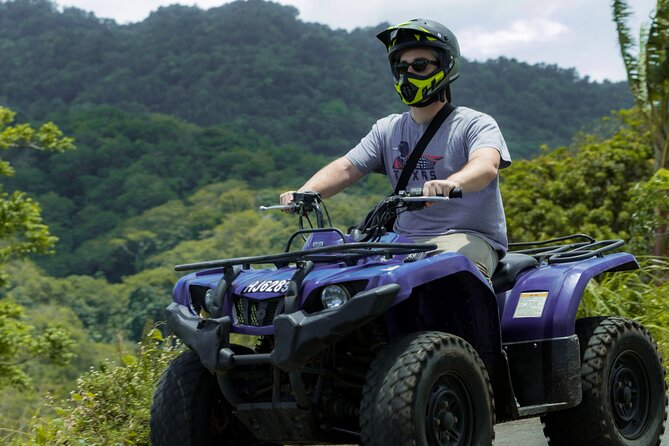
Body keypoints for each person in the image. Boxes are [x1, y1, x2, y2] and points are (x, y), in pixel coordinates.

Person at [280, 18, 511, 282]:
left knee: (456, 277)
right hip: (401, 241)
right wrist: (307, 192)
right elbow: (346, 167)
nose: (408, 73)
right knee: (336, 279)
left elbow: (486, 165)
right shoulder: (388, 129)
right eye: (402, 66)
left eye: (420, 65)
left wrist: (451, 183)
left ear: (445, 65)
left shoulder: (475, 123)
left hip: (465, 237)